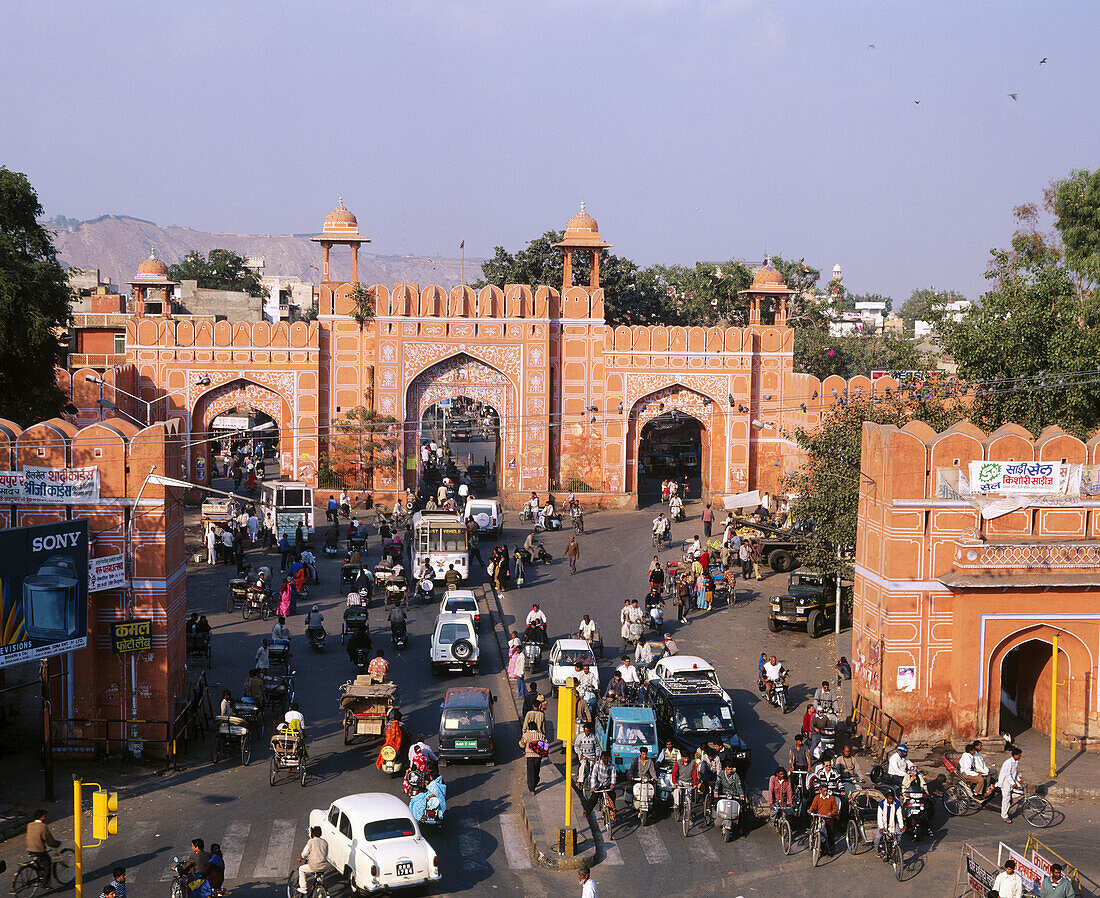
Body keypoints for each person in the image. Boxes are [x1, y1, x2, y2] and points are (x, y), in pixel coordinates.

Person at [26, 810, 60, 881]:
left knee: (40, 862)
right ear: (41, 817)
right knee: (48, 864)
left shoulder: (29, 825)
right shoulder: (42, 826)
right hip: (38, 850)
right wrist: (56, 844)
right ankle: (45, 883)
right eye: (44, 816)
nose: (45, 818)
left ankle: (40, 874)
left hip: (29, 848)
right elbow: (49, 840)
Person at [808, 784, 839, 856]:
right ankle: (823, 850)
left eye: (826, 791)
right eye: (824, 791)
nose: (825, 792)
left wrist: (832, 813)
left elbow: (835, 808)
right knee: (821, 835)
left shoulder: (831, 798)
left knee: (830, 834)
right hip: (821, 819)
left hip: (829, 819)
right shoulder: (817, 798)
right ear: (820, 791)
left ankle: (832, 850)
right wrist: (810, 810)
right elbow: (813, 806)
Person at [297, 826, 328, 895]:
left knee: (301, 869)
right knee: (319, 880)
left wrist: (301, 857)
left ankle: (303, 888)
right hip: (323, 866)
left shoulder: (311, 841)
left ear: (313, 834)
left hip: (314, 866)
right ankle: (320, 895)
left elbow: (304, 853)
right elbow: (325, 853)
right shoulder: (325, 842)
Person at [585, 751, 618, 817]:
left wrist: (612, 783)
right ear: (601, 758)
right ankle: (587, 813)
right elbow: (593, 775)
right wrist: (593, 786)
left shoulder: (612, 764)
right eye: (604, 759)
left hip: (607, 784)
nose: (605, 761)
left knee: (612, 796)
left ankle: (612, 810)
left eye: (606, 759)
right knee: (593, 799)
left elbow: (613, 775)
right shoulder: (597, 764)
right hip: (598, 784)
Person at [520, 719, 547, 793]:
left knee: (530, 772)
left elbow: (522, 744)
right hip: (538, 756)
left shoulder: (526, 735)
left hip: (529, 756)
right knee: (536, 770)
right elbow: (545, 743)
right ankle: (536, 781)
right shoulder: (540, 735)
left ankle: (531, 789)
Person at [874, 791, 904, 855]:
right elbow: (879, 816)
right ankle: (877, 851)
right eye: (889, 799)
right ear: (886, 798)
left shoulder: (897, 804)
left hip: (893, 822)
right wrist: (881, 827)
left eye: (892, 799)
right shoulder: (881, 804)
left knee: (898, 836)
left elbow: (899, 815)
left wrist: (901, 826)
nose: (891, 800)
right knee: (877, 837)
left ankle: (894, 849)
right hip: (883, 823)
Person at [999, 746, 1023, 823]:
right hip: (1006, 781)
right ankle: (1004, 815)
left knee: (1021, 791)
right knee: (1006, 799)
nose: (1020, 757)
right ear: (1015, 755)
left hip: (1011, 780)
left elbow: (1015, 773)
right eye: (1019, 755)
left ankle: (1010, 798)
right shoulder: (1008, 763)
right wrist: (1013, 783)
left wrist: (1019, 780)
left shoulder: (1015, 762)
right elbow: (1008, 775)